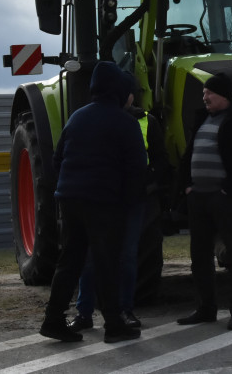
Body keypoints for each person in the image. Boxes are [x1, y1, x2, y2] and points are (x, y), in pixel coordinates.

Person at [38, 61, 148, 344]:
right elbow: (137, 170)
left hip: (70, 199)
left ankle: (53, 319)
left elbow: (57, 157)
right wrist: (130, 202)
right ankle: (114, 324)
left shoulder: (77, 117)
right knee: (106, 261)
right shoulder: (125, 122)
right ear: (119, 91)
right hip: (104, 202)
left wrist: (68, 183)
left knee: (70, 261)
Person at [176, 72, 232, 331]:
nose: (204, 97)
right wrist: (187, 187)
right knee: (199, 256)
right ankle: (205, 309)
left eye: (209, 93)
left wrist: (226, 190)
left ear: (223, 95)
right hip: (199, 198)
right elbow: (188, 156)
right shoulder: (202, 120)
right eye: (204, 93)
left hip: (225, 199)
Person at [68, 100, 162, 332]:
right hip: (101, 199)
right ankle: (85, 312)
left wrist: (148, 187)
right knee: (91, 259)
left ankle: (124, 310)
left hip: (131, 200)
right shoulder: (91, 119)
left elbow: (159, 160)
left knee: (126, 257)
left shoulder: (145, 121)